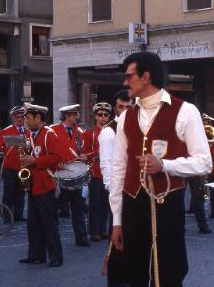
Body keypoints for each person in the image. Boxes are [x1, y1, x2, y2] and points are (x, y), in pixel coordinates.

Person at [110, 51, 212, 286]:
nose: (125, 83)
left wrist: (165, 165)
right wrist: (117, 220)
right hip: (133, 206)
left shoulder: (185, 111)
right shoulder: (126, 118)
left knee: (170, 271)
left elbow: (204, 161)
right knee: (133, 273)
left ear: (145, 76)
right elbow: (118, 170)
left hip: (168, 205)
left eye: (129, 76)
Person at [19, 103, 70, 267]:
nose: (26, 121)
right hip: (34, 184)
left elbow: (57, 158)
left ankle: (56, 257)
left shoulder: (49, 134)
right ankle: (36, 254)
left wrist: (35, 160)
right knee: (33, 222)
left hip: (46, 184)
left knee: (49, 222)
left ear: (37, 117)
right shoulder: (33, 135)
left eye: (28, 118)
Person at [98, 90, 132, 287]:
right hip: (119, 193)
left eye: (129, 107)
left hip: (136, 190)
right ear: (115, 108)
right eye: (121, 107)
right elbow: (107, 166)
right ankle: (116, 280)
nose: (125, 111)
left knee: (133, 237)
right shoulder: (109, 132)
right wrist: (115, 195)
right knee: (117, 238)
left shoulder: (137, 126)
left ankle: (129, 276)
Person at [50, 104, 89, 246]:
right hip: (59, 174)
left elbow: (83, 150)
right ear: (67, 116)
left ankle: (82, 238)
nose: (77, 117)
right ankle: (53, 240)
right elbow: (47, 152)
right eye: (75, 114)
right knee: (54, 210)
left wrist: (85, 157)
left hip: (75, 174)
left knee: (78, 208)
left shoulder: (79, 131)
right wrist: (55, 164)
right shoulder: (52, 131)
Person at [0, 106, 31, 221]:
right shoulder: (6, 131)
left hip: (23, 168)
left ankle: (19, 215)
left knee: (21, 194)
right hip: (9, 168)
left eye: (21, 117)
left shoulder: (28, 132)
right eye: (16, 117)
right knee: (8, 194)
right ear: (13, 118)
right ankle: (8, 217)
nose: (19, 119)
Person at [83, 102, 112, 241]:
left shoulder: (112, 132)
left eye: (106, 115)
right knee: (94, 203)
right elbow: (85, 152)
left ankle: (103, 229)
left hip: (108, 173)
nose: (103, 117)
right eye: (100, 115)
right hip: (95, 172)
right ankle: (94, 231)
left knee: (106, 203)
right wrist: (97, 153)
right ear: (95, 116)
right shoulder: (90, 132)